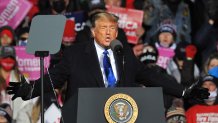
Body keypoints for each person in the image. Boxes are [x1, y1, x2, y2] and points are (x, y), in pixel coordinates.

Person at [7, 12, 208, 122]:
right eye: (104, 28)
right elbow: (54, 79)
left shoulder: (124, 53)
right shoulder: (75, 54)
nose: (109, 32)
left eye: (113, 28)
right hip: (84, 118)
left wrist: (183, 91)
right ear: (94, 31)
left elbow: (149, 76)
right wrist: (29, 89)